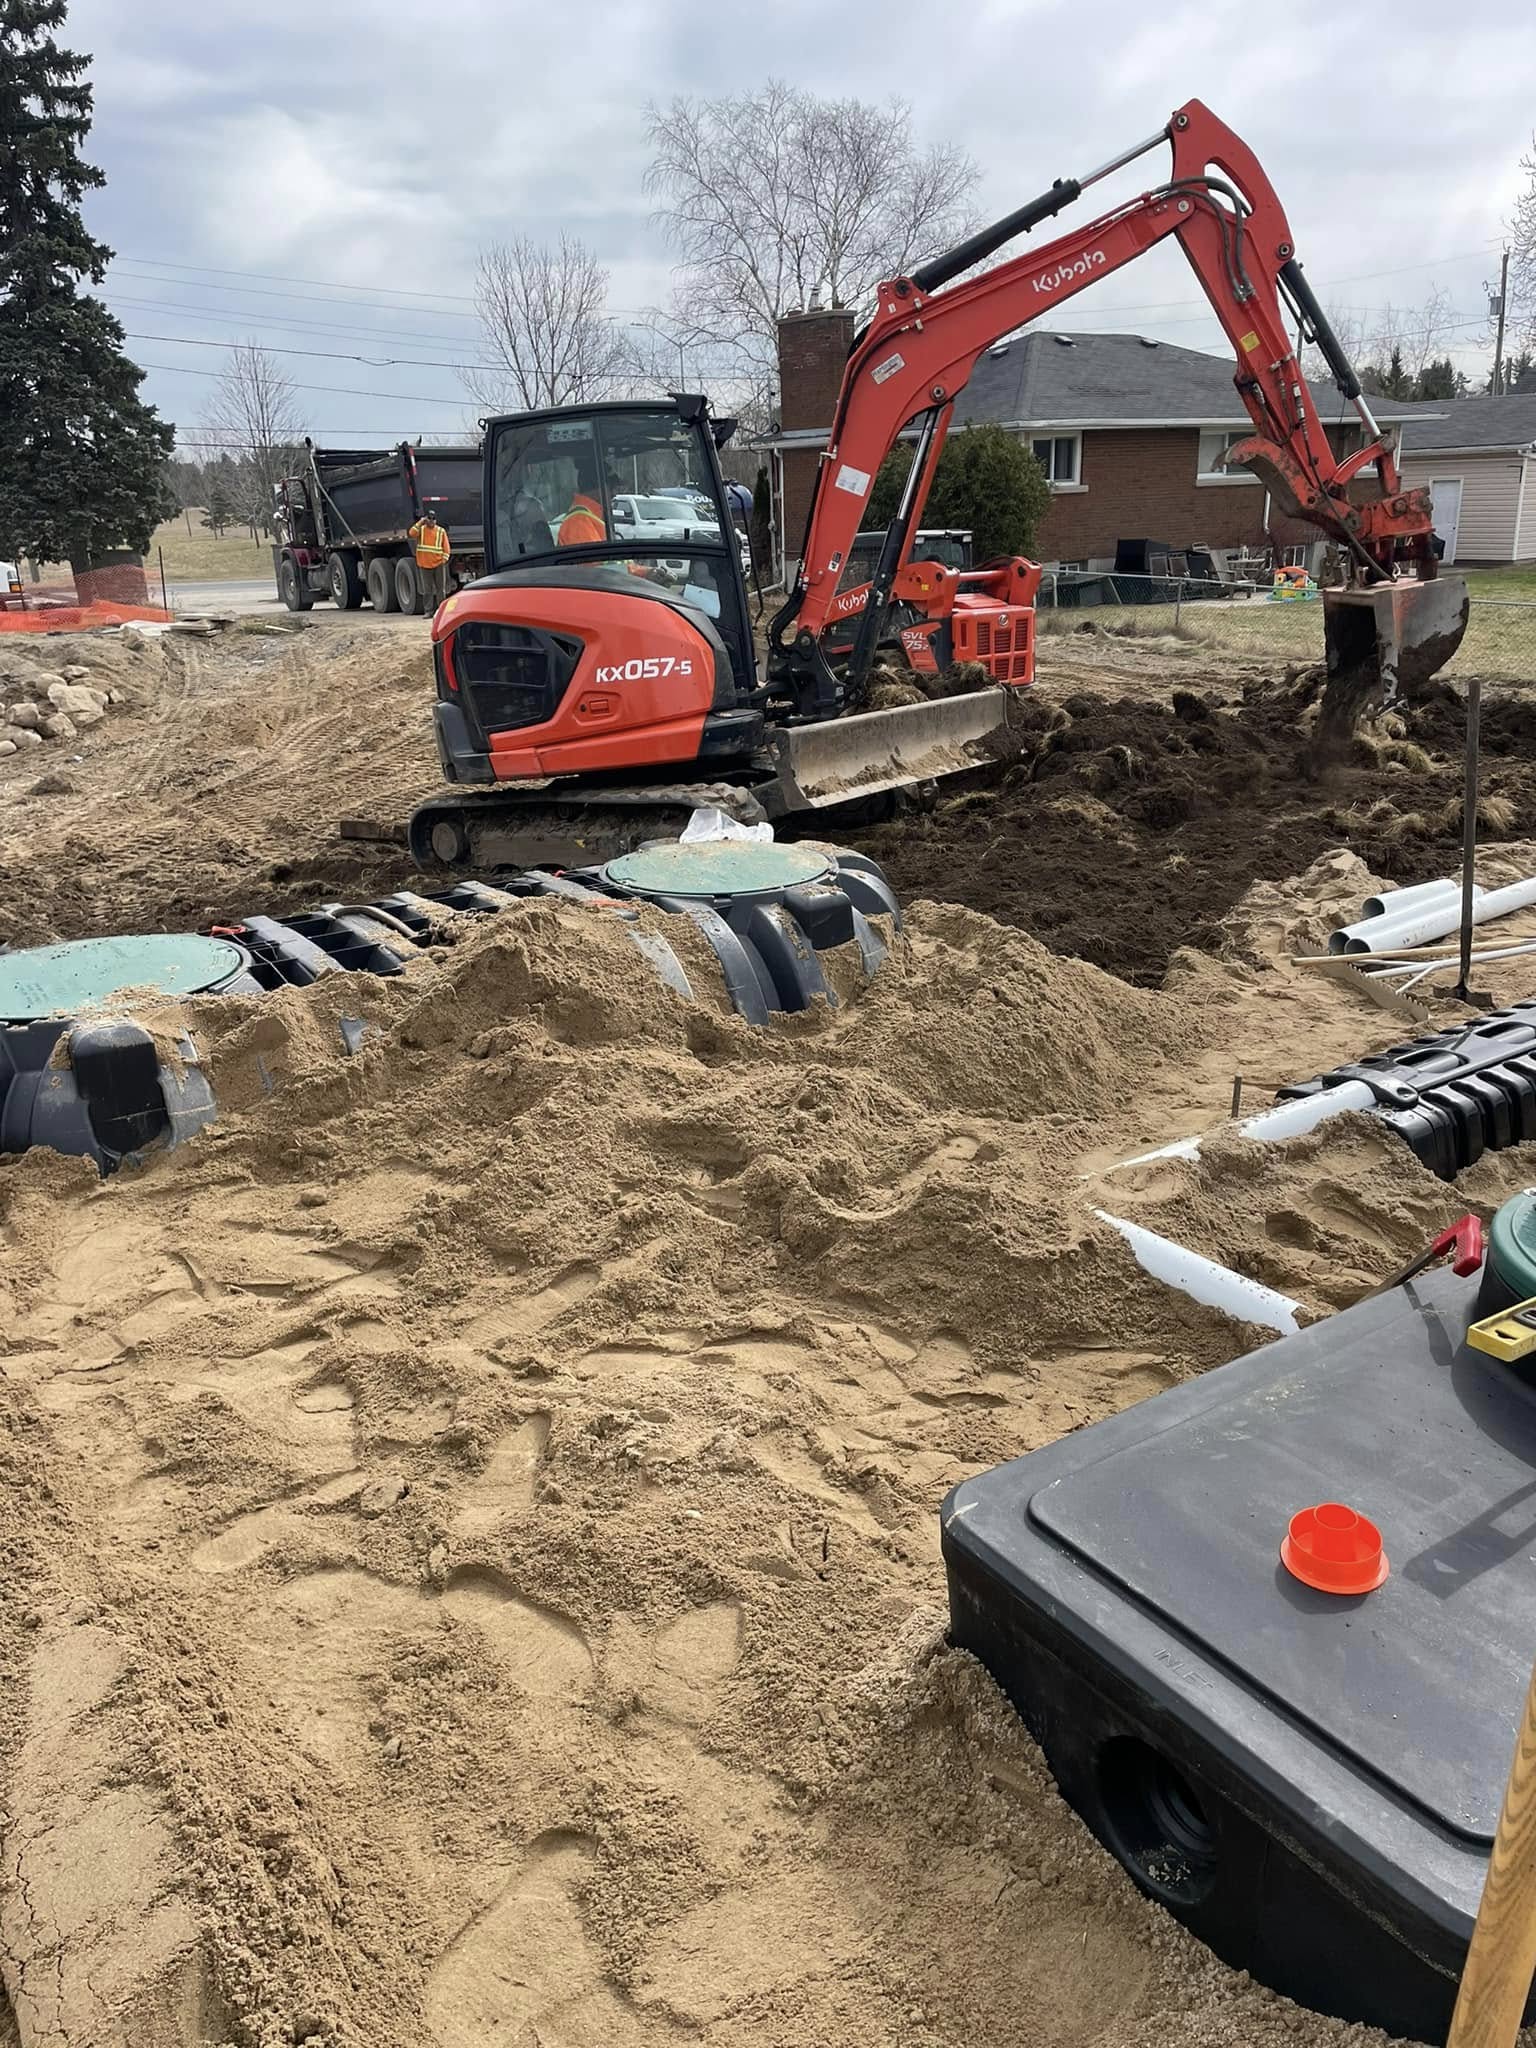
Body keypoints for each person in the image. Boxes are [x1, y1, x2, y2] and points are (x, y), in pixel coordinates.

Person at [409, 507, 452, 610]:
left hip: (438, 564)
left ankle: (440, 610)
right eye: (429, 518)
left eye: (433, 518)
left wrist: (443, 560)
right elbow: (411, 533)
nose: (431, 520)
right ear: (426, 519)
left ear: (436, 520)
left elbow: (446, 547)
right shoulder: (422, 530)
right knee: (427, 590)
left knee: (440, 589)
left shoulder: (440, 531)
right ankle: (428, 610)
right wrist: (420, 522)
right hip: (424, 564)